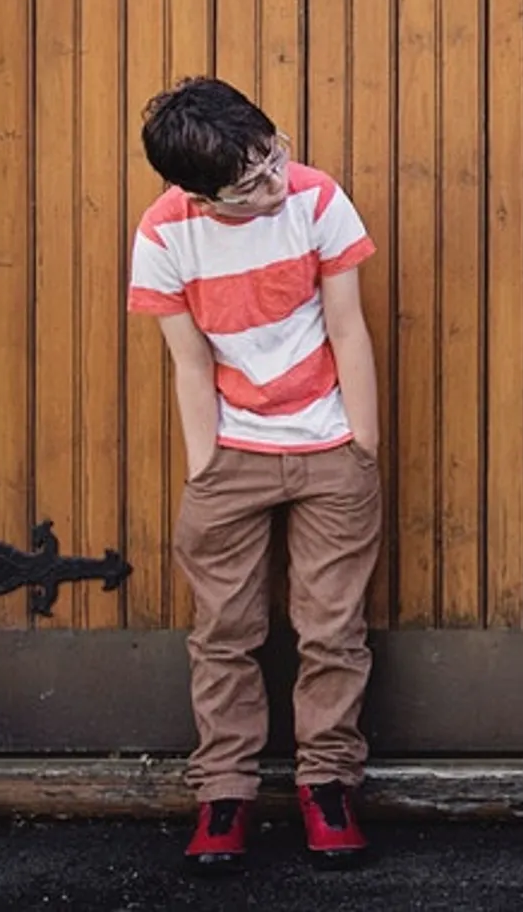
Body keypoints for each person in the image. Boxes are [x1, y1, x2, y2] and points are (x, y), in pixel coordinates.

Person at [126, 76, 385, 872]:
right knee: (223, 634)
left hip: (330, 445)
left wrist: (363, 445)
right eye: (251, 182)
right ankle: (224, 793)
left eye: (273, 155)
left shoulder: (316, 197)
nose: (275, 180)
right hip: (232, 455)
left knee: (333, 631)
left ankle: (328, 786)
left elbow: (348, 325)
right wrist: (205, 467)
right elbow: (190, 363)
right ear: (199, 196)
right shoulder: (165, 235)